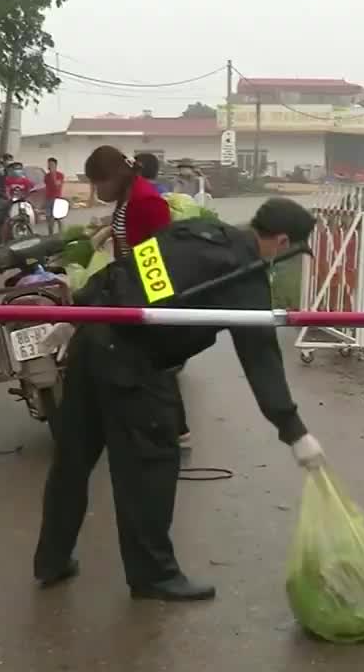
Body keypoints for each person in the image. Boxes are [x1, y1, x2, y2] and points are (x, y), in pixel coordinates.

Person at [32, 196, 325, 601]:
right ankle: (153, 576)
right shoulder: (244, 273)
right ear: (281, 240)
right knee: (150, 468)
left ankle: (51, 559)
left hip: (92, 344)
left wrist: (79, 312)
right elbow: (260, 358)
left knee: (73, 459)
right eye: (292, 251)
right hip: (135, 364)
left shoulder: (196, 233)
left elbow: (127, 269)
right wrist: (292, 429)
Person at [82, 148, 188, 444]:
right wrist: (106, 232)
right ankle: (164, 424)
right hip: (131, 281)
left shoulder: (146, 200)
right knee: (143, 357)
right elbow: (126, 233)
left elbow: (159, 250)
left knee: (153, 356)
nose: (97, 190)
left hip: (148, 285)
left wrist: (145, 295)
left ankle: (177, 428)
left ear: (116, 177)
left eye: (98, 183)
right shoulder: (127, 198)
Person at [42, 157, 66, 234]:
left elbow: (57, 185)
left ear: (55, 165)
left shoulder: (60, 175)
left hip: (57, 199)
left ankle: (61, 234)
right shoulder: (46, 176)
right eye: (48, 164)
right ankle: (50, 234)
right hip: (48, 199)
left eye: (52, 164)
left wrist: (53, 174)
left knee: (59, 218)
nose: (49, 166)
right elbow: (47, 186)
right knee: (49, 218)